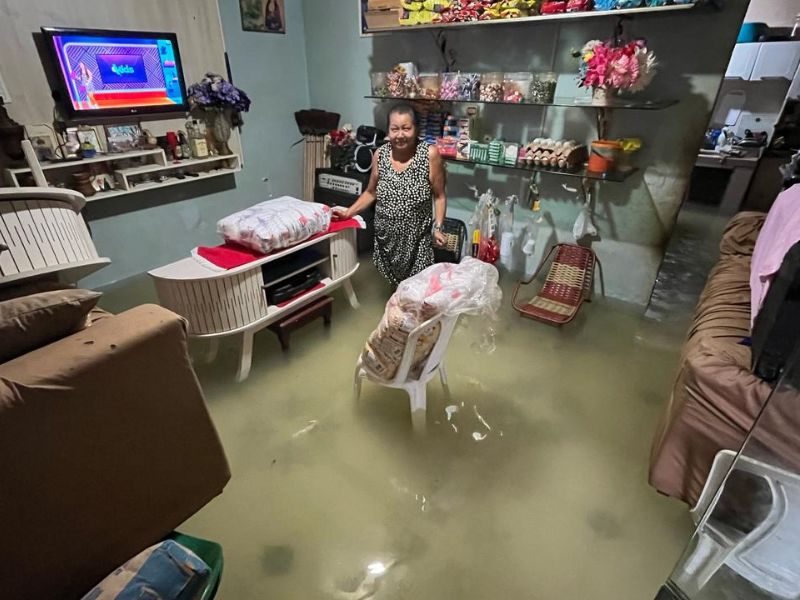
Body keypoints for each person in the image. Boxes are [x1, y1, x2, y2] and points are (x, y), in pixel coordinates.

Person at [333, 104, 447, 286]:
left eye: (406, 128)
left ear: (416, 129)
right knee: (395, 295)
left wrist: (438, 228)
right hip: (387, 242)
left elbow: (439, 196)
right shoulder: (380, 155)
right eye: (394, 129)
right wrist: (349, 212)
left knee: (418, 295)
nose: (400, 134)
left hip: (417, 243)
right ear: (388, 131)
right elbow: (371, 192)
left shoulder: (429, 155)